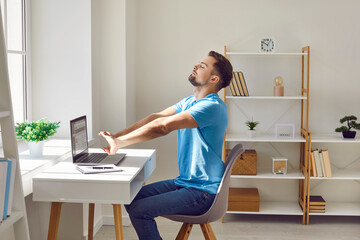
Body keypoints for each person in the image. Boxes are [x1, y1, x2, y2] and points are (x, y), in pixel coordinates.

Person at [99, 51, 233, 240]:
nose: (195, 66)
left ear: (214, 78)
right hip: (186, 182)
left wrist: (120, 143)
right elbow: (156, 118)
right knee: (131, 199)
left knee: (139, 210)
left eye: (202, 66)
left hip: (203, 191)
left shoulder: (211, 107)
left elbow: (163, 127)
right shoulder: (190, 102)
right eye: (198, 63)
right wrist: (116, 136)